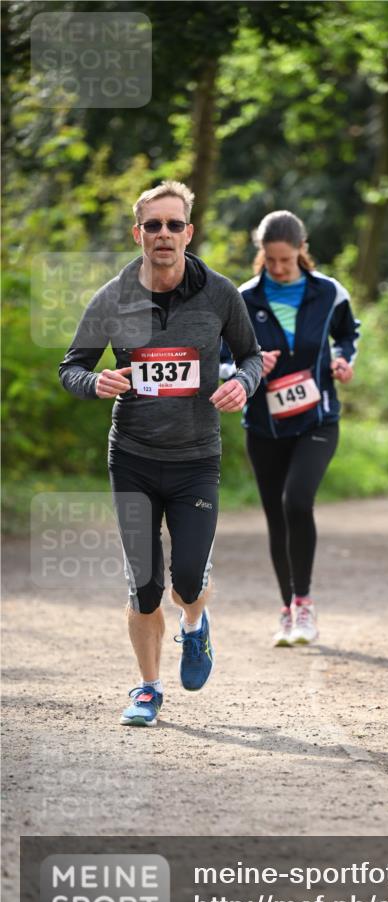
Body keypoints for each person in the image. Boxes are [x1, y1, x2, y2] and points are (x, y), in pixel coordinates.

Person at [59, 181, 262, 726]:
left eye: (175, 225)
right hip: (133, 456)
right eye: (154, 225)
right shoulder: (112, 297)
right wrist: (93, 382)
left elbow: (251, 357)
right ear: (138, 233)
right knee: (144, 582)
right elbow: (71, 366)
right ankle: (147, 688)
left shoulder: (220, 294)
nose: (164, 235)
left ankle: (195, 626)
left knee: (187, 580)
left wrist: (243, 382)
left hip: (197, 457)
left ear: (189, 233)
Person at [232, 210, 360, 646]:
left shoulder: (328, 292)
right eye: (271, 260)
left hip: (317, 417)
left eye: (286, 260)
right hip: (264, 424)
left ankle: (304, 605)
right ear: (261, 256)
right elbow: (220, 355)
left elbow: (349, 334)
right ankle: (287, 610)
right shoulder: (244, 298)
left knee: (297, 500)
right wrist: (246, 366)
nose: (279, 268)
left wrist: (344, 360)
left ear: (302, 251)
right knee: (275, 518)